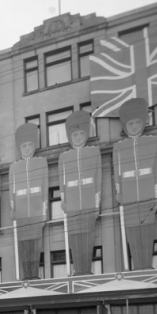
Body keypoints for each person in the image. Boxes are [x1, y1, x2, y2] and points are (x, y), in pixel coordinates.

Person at [112, 98, 157, 270]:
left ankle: (146, 265)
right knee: (132, 230)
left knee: (147, 231)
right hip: (129, 194)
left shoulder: (152, 141)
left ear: (143, 122)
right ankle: (137, 266)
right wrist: (119, 192)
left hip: (147, 190)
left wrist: (156, 195)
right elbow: (117, 172)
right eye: (130, 123)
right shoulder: (118, 147)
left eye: (137, 122)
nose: (133, 126)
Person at [58, 110, 102, 275]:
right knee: (75, 238)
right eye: (74, 134)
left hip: (89, 203)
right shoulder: (64, 157)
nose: (77, 137)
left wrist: (96, 204)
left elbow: (98, 180)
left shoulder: (94, 152)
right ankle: (78, 270)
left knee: (88, 237)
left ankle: (86, 270)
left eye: (81, 133)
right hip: (72, 206)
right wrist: (64, 201)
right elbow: (62, 182)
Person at [9, 123, 48, 280]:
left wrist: (44, 212)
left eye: (29, 144)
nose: (26, 148)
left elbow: (45, 189)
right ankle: (26, 275)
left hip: (37, 212)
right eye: (23, 145)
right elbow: (12, 191)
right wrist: (14, 210)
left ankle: (34, 275)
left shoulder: (41, 163)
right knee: (24, 246)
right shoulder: (14, 167)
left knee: (35, 245)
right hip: (21, 215)